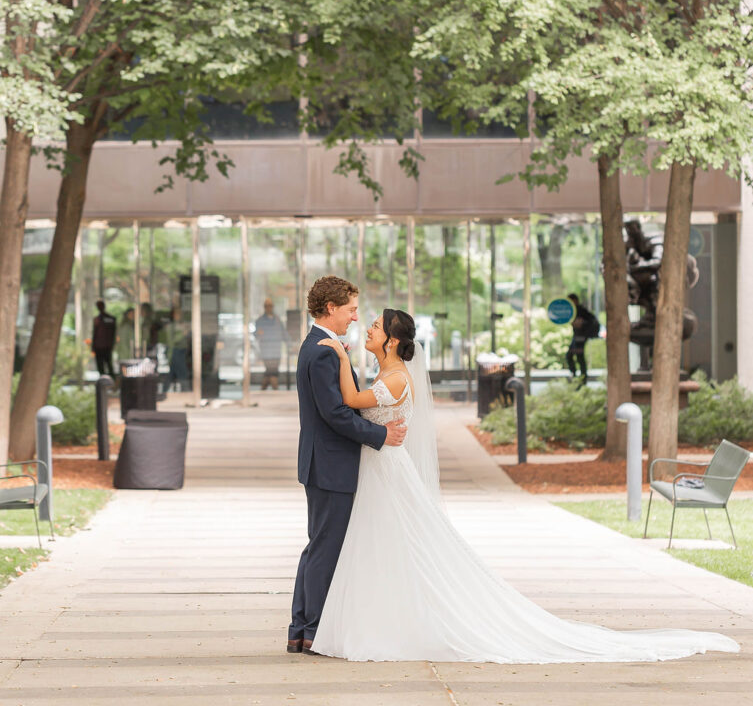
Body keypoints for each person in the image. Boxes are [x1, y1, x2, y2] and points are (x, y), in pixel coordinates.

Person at [310, 307, 738, 664]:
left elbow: (349, 401)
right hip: (381, 468)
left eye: (375, 327)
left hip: (388, 473)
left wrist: (341, 357)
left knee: (396, 544)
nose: (367, 328)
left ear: (389, 341)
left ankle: (390, 626)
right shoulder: (389, 372)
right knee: (381, 546)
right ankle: (382, 621)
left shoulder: (397, 377)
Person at [287, 275, 407, 656]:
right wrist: (380, 435)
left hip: (323, 463)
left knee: (318, 546)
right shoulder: (323, 349)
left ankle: (302, 629)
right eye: (352, 310)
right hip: (330, 465)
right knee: (325, 548)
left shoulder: (319, 346)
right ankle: (311, 630)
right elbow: (336, 414)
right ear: (331, 308)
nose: (356, 317)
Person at [255, 298, 288, 390]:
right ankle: (276, 391)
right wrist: (258, 333)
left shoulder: (277, 320)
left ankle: (262, 390)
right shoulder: (260, 321)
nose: (269, 308)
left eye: (270, 306)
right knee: (272, 373)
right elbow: (256, 335)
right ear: (264, 307)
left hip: (276, 351)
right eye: (267, 306)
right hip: (266, 352)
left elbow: (284, 333)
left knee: (269, 373)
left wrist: (290, 344)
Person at [565, 293, 599, 384]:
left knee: (578, 357)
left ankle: (582, 378)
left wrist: (581, 324)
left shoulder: (580, 310)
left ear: (574, 301)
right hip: (577, 337)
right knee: (570, 355)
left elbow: (591, 321)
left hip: (580, 337)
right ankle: (577, 376)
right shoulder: (573, 310)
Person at [91, 300, 117, 378]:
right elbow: (95, 334)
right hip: (101, 346)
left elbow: (113, 333)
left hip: (105, 346)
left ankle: (110, 381)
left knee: (107, 365)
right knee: (102, 366)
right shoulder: (100, 319)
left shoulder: (105, 319)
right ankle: (105, 380)